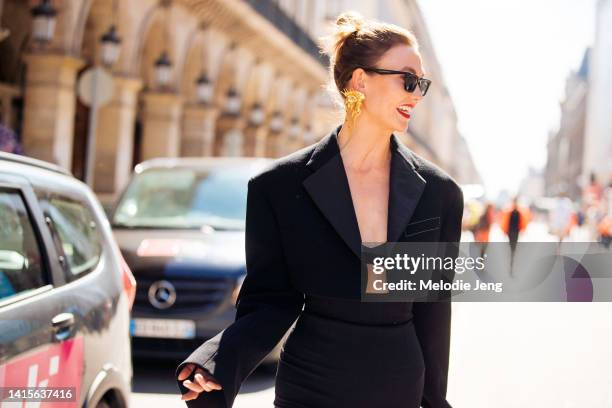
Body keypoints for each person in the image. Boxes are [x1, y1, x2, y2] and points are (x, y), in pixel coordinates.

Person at [175, 11, 463, 408]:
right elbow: (269, 300)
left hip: (396, 388)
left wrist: (435, 403)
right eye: (408, 80)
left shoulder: (439, 194)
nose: (416, 95)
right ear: (361, 80)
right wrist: (215, 364)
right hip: (310, 386)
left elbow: (433, 316)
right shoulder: (278, 187)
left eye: (422, 84)